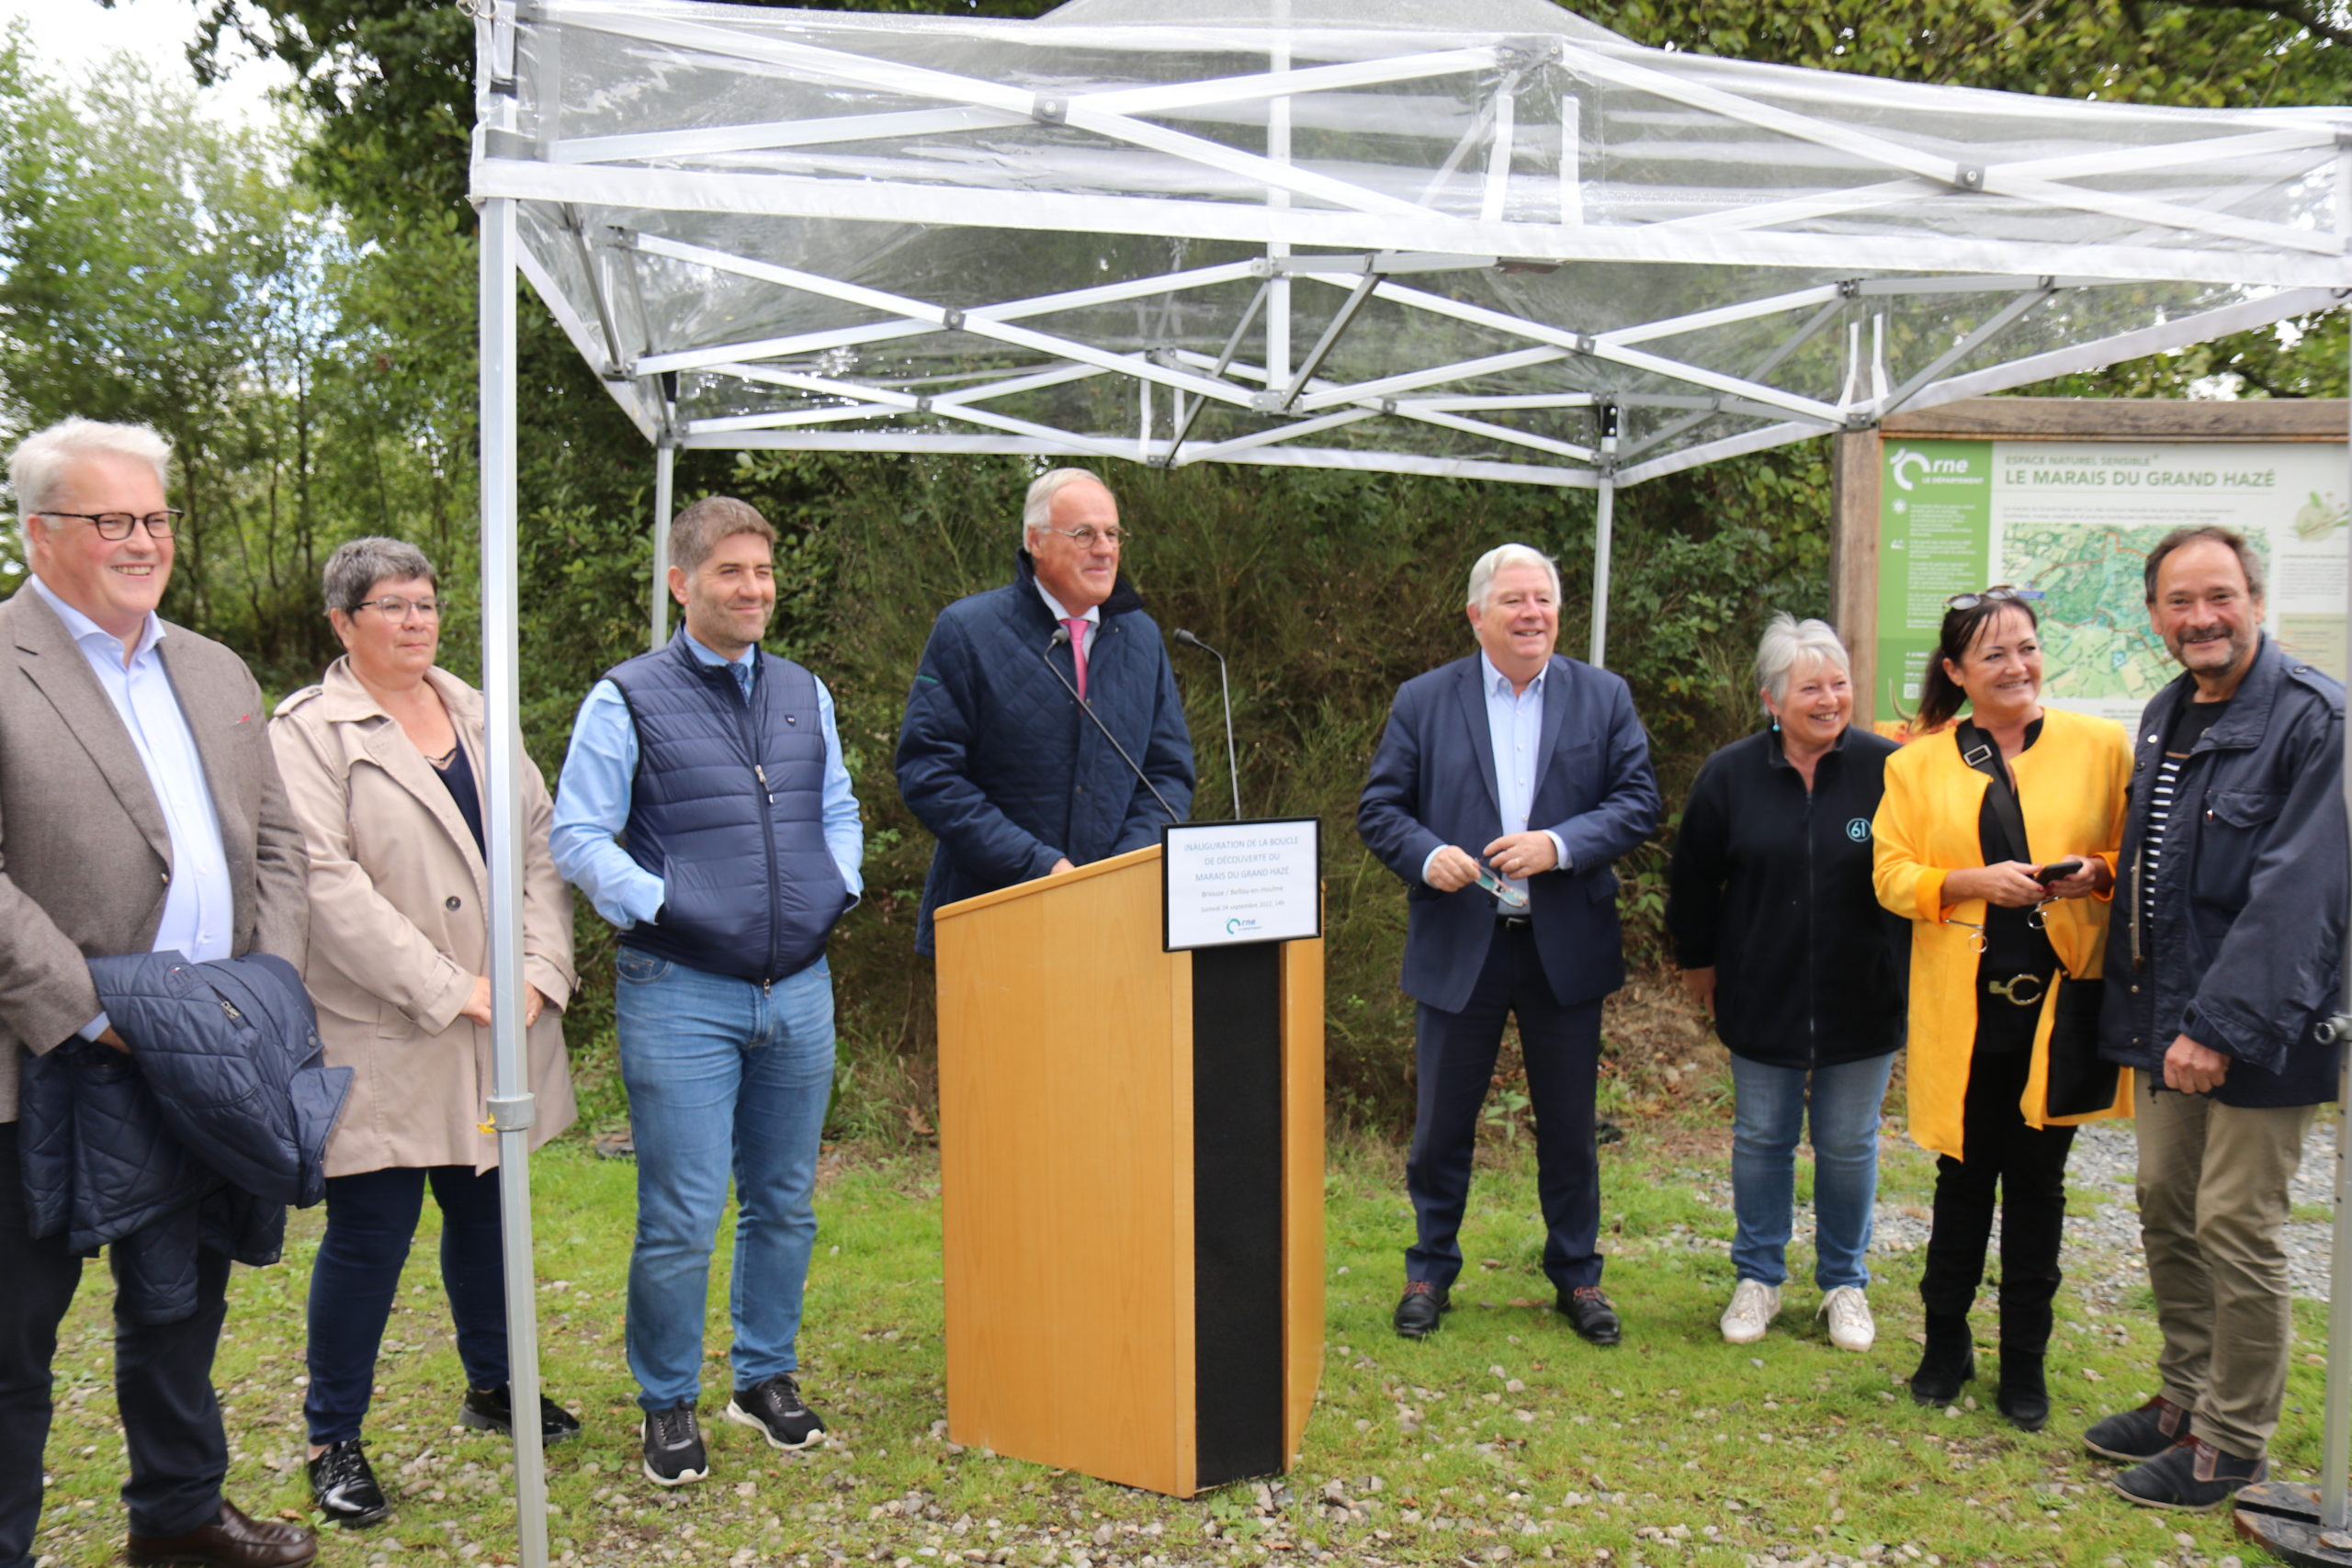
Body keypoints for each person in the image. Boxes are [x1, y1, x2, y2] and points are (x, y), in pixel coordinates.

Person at [0, 419, 315, 1568]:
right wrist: (93, 1005)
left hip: (199, 1052)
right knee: (13, 1339)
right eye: (111, 521)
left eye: (157, 518)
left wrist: (257, 990)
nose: (144, 542)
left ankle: (178, 1520)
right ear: (40, 535)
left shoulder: (214, 667)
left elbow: (278, 845)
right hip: (38, 1055)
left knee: (180, 1304)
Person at [269, 538, 581, 1527]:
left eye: (427, 602)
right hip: (388, 1025)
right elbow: (325, 885)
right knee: (372, 1234)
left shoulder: (482, 713)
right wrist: (454, 988)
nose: (417, 620)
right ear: (342, 621)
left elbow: (539, 845)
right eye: (392, 605)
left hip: (502, 1017)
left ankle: (495, 1386)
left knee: (490, 1216)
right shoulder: (305, 732)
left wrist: (536, 970)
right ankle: (333, 1438)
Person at [552, 497, 863, 1488]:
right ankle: (668, 1400)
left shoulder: (803, 691)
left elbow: (838, 807)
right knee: (682, 1210)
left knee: (783, 1202)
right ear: (682, 583)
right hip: (679, 988)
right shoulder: (626, 697)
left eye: (764, 572)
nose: (754, 590)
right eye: (732, 573)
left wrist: (838, 887)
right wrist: (667, 905)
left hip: (797, 988)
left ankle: (764, 1375)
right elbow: (578, 836)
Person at [2086, 526, 2344, 1510]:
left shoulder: (2315, 721)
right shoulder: (2167, 714)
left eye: (2219, 597)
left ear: (2255, 599)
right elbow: (2167, 873)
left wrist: (2220, 1028)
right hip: (2170, 1020)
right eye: (2179, 602)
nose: (2201, 618)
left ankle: (2233, 1443)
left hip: (2261, 1028)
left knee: (2236, 1223)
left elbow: (2298, 897)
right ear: (2153, 615)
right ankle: (2184, 1399)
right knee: (2164, 1204)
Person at [1358, 543, 1662, 1345]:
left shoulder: (1603, 697)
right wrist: (1428, 854)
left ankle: (1579, 1275)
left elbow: (1638, 802)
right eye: (1516, 601)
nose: (1534, 614)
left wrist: (1558, 845)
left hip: (1564, 943)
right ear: (1476, 615)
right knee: (1441, 1125)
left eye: (1545, 600)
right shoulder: (1425, 700)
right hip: (1464, 943)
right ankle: (1429, 1268)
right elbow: (1380, 808)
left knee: (1569, 1125)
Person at [1871, 586, 2131, 1432]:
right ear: (1956, 671)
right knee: (1960, 1179)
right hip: (1966, 1011)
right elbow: (1890, 874)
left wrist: (2096, 871)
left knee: (2040, 1188)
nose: (2016, 666)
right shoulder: (1916, 762)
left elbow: (2136, 852)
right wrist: (1966, 883)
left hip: (2059, 1007)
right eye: (1993, 654)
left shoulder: (2100, 746)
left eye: (2025, 647)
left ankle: (2025, 1359)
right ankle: (1943, 1345)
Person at [1667, 615, 1904, 1353]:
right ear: (1773, 698)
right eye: (1810, 687)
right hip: (1759, 989)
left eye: (1838, 683)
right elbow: (1694, 879)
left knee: (1847, 1143)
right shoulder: (1730, 774)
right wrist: (1699, 963)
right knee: (1762, 1136)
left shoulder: (1887, 769)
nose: (1829, 698)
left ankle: (1844, 1282)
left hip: (1863, 992)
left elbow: (1922, 874)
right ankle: (1759, 1276)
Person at [896, 468, 1194, 953]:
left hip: (1117, 923)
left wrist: (1121, 868)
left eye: (1113, 534)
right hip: (995, 920)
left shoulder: (1141, 637)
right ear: (1035, 540)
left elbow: (1168, 774)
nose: (1104, 548)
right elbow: (928, 773)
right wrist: (1039, 866)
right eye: (1084, 534)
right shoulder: (968, 630)